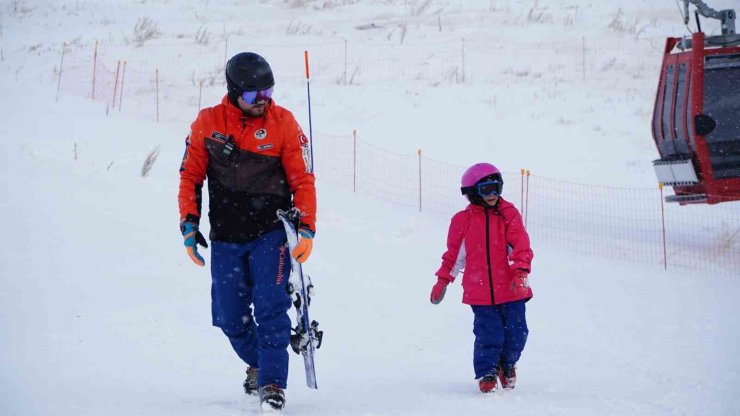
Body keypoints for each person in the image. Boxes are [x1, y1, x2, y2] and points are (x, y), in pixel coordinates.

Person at [178, 51, 316, 411]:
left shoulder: (284, 123)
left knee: (271, 310)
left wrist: (307, 229)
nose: (264, 100)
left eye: (269, 91)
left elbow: (303, 179)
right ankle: (260, 363)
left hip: (270, 233)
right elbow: (190, 176)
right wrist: (189, 225)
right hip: (225, 236)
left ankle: (272, 383)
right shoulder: (208, 123)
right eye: (255, 95)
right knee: (228, 317)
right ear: (234, 90)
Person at [430, 162, 533, 393]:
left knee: (518, 333)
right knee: (489, 333)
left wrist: (520, 272)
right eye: (487, 190)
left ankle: (507, 364)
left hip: (512, 288)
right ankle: (487, 371)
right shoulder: (462, 221)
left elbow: (521, 246)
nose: (493, 195)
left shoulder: (508, 214)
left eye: (497, 188)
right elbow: (454, 256)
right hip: (480, 290)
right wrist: (443, 280)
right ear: (473, 193)